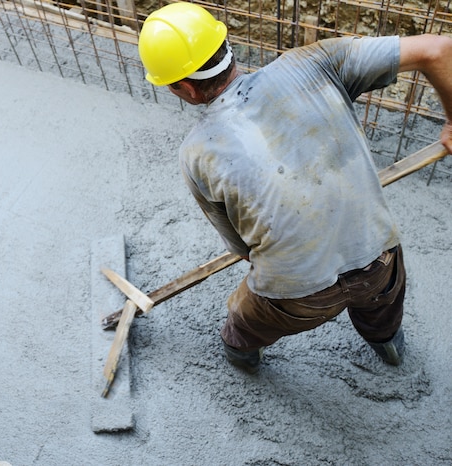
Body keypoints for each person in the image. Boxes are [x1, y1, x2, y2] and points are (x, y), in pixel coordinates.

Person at [137, 2, 452, 373]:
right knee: (382, 299)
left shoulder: (195, 155)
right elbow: (439, 50)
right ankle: (388, 343)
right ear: (226, 46)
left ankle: (242, 355)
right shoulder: (315, 62)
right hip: (377, 261)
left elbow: (243, 251)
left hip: (299, 295)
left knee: (244, 320)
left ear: (186, 88)